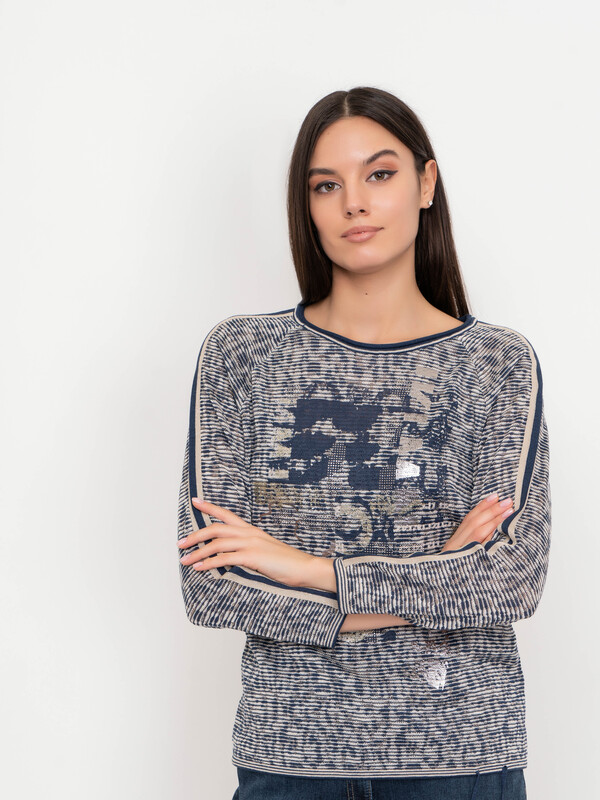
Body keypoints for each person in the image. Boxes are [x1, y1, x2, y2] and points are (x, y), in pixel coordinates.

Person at [176, 86, 551, 800]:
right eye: (326, 185)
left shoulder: (496, 365)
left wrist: (305, 568)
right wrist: (434, 578)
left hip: (457, 755)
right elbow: (213, 586)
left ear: (426, 184)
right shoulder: (243, 356)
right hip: (291, 757)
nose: (354, 202)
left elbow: (511, 577)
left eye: (379, 173)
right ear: (307, 206)